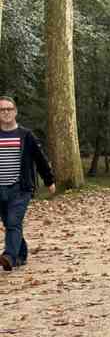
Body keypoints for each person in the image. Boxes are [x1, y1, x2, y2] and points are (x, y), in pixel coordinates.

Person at [0, 96, 55, 272]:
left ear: (15, 111)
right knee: (10, 223)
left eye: (9, 109)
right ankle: (21, 254)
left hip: (20, 187)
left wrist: (49, 180)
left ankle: (9, 256)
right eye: (2, 110)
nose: (6, 112)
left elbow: (40, 159)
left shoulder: (26, 135)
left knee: (13, 221)